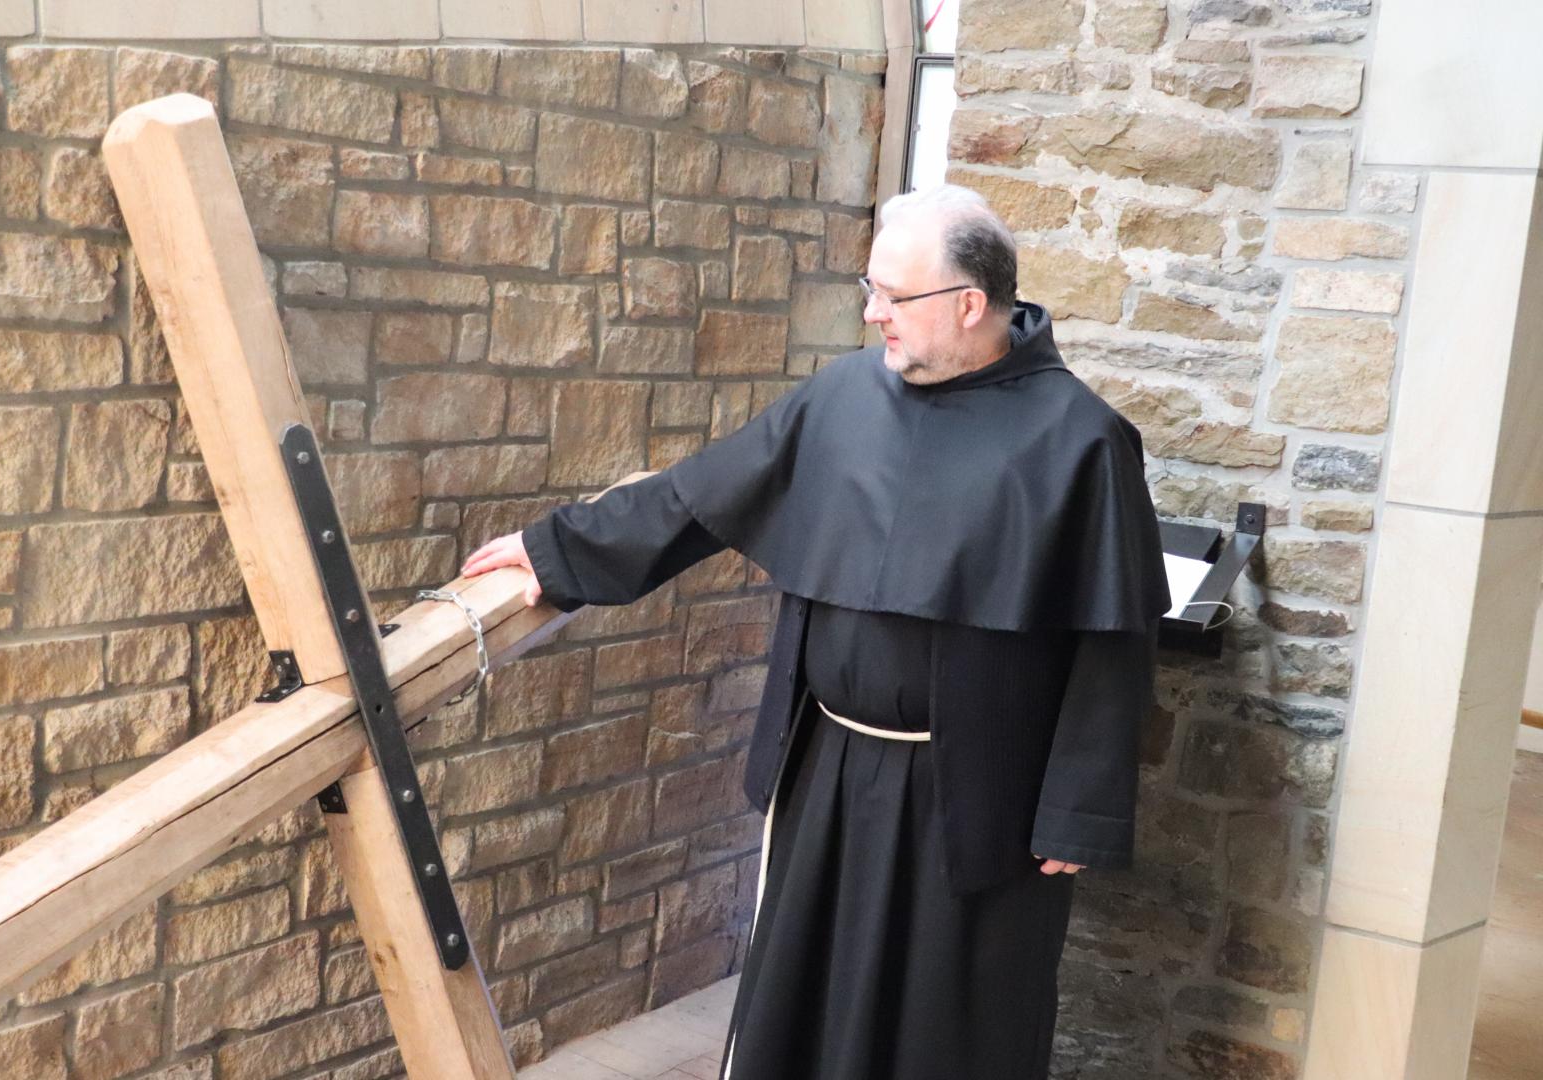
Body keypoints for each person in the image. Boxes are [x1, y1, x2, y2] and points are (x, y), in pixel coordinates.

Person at [459, 184, 1170, 1079]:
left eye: (892, 297)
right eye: (867, 290)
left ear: (970, 304)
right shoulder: (841, 398)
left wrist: (1078, 810)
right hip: (828, 765)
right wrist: (552, 552)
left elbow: (1114, 638)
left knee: (946, 1021)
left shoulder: (1082, 441)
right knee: (806, 993)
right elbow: (700, 495)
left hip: (982, 791)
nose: (874, 314)